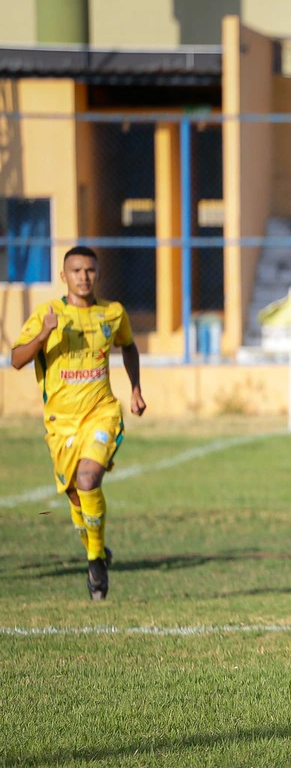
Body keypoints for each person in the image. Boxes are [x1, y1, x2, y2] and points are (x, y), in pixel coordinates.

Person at [10, 246, 146, 600]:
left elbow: (128, 346)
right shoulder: (47, 313)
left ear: (97, 275)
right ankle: (97, 550)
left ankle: (95, 565)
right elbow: (15, 359)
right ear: (64, 276)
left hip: (101, 412)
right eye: (76, 271)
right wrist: (42, 335)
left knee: (88, 480)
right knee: (75, 494)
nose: (83, 277)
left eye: (89, 271)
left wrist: (135, 389)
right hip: (61, 423)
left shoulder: (112, 313)